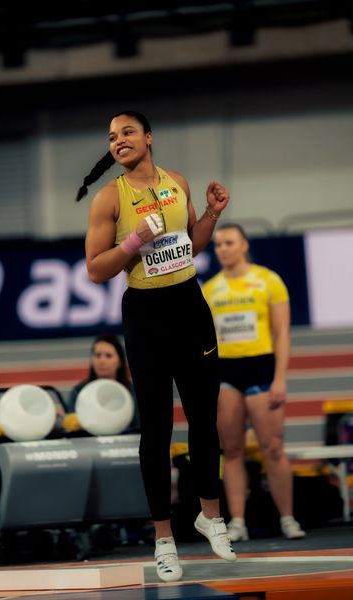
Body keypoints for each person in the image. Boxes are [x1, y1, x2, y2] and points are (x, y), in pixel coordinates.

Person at [76, 110, 236, 582]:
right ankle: (163, 539)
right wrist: (133, 243)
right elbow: (95, 268)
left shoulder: (177, 182)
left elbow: (193, 244)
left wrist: (210, 214)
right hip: (146, 316)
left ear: (148, 137)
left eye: (127, 132)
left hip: (190, 306)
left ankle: (211, 516)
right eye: (111, 136)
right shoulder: (109, 198)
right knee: (159, 430)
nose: (118, 140)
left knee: (204, 419)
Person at [202, 223, 306, 542]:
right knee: (231, 449)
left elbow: (283, 333)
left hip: (262, 368)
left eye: (229, 242)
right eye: (218, 244)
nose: (222, 249)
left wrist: (280, 379)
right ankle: (237, 522)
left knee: (272, 447)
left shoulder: (268, 281)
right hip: (226, 372)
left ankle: (287, 518)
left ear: (244, 245)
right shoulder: (210, 289)